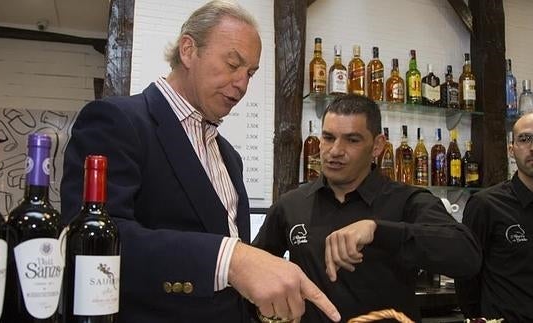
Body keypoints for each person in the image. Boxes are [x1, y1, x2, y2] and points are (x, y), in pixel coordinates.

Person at [60, 1, 340, 322]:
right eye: (232, 64)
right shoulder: (118, 121)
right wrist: (230, 259)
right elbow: (90, 240)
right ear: (188, 50)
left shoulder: (230, 158)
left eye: (250, 73)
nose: (242, 84)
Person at [253, 94, 481, 322]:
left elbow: (466, 256)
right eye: (328, 137)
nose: (335, 151)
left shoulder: (408, 201)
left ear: (377, 145)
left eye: (352, 140)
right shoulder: (291, 205)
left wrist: (379, 230)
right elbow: (254, 270)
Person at [456, 113, 533, 322]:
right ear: (511, 149)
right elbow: (466, 276)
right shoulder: (486, 205)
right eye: (525, 139)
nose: (532, 147)